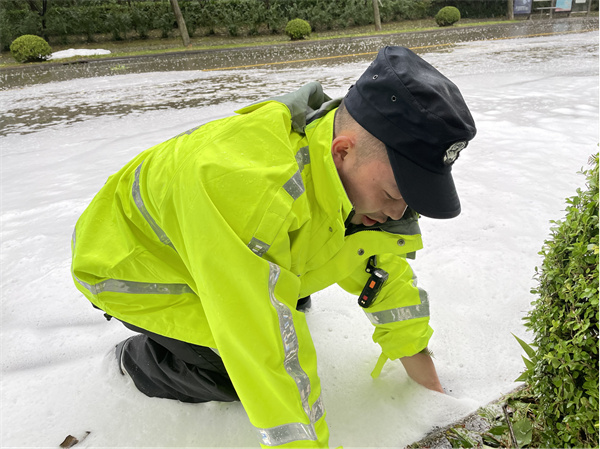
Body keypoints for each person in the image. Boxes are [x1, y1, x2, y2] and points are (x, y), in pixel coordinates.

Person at [71, 46, 476, 447]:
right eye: (393, 192)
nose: (397, 210)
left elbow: (380, 267)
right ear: (343, 150)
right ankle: (139, 362)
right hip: (131, 266)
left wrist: (432, 392)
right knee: (233, 373)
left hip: (220, 243)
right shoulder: (249, 195)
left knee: (282, 294)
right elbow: (264, 356)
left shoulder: (343, 166)